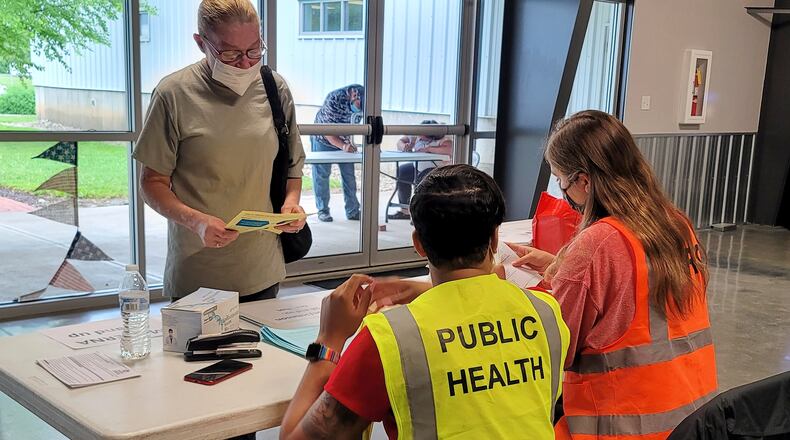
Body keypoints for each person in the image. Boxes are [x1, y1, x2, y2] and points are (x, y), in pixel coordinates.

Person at [280, 164, 570, 439]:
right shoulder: (547, 313)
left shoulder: (390, 340)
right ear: (495, 240)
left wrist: (329, 340)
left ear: (418, 244)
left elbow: (296, 437)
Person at [506, 110, 718, 439]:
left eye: (562, 183)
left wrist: (504, 294)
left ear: (584, 181)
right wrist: (561, 268)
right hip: (692, 419)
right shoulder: (677, 224)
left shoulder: (598, 244)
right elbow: (631, 293)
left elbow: (555, 344)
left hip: (620, 426)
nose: (565, 196)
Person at [133, 0, 306, 301]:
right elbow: (151, 185)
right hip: (197, 273)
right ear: (201, 43)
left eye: (254, 50)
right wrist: (196, 221)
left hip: (260, 269)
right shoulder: (173, 94)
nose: (245, 63)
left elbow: (292, 168)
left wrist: (291, 204)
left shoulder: (274, 88)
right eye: (230, 53)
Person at [310, 84, 364, 222]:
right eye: (359, 106)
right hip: (323, 138)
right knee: (322, 175)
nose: (359, 110)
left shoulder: (364, 103)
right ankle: (323, 211)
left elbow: (356, 126)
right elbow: (327, 130)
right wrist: (343, 146)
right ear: (353, 95)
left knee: (349, 176)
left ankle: (353, 211)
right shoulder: (334, 98)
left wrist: (350, 142)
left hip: (344, 139)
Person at [388, 120, 454, 220]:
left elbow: (449, 150)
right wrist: (405, 146)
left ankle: (420, 212)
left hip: (437, 169)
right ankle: (405, 210)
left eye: (424, 134)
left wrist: (429, 149)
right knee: (403, 171)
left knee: (423, 177)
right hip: (417, 167)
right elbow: (400, 142)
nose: (420, 136)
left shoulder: (444, 139)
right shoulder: (416, 137)